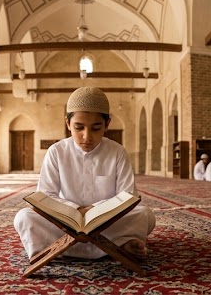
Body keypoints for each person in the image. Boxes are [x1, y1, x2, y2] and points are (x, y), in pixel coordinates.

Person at [13, 87, 155, 260]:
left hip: (107, 221)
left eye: (96, 128)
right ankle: (115, 246)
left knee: (145, 215)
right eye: (79, 127)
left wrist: (94, 211)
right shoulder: (56, 151)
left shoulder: (117, 152)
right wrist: (77, 210)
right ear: (68, 123)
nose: (86, 136)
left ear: (107, 124)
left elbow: (128, 196)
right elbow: (46, 196)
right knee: (23, 217)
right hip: (66, 222)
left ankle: (59, 248)